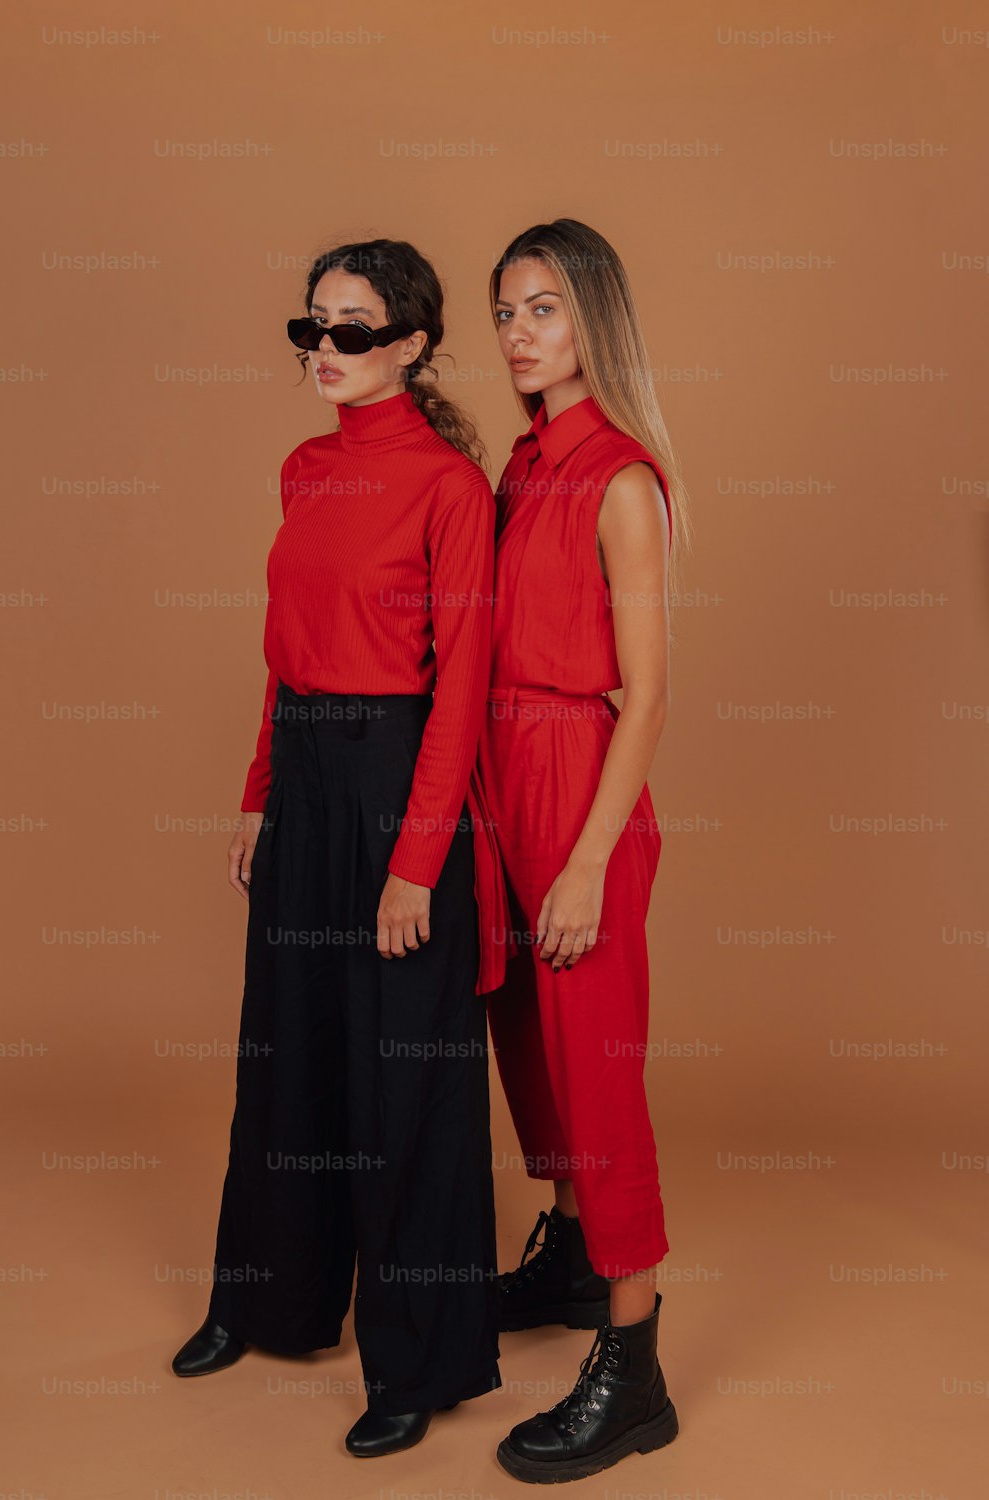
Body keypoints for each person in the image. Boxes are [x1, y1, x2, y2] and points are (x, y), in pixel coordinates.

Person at [171, 238, 511, 1459]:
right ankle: (266, 1303)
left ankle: (415, 1364)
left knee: (403, 1079)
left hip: (399, 779)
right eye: (312, 327)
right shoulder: (304, 467)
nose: (326, 350)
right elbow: (285, 645)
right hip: (307, 777)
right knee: (289, 1048)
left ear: (412, 345)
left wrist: (417, 860)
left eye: (354, 330)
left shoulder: (448, 491)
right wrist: (259, 793)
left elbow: (462, 688)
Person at [477, 218, 693, 1484]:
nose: (518, 334)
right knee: (529, 1049)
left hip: (578, 784)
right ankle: (567, 1251)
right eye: (506, 311)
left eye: (545, 310)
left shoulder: (618, 477)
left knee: (598, 1078)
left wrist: (584, 860)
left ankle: (635, 1363)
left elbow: (651, 694)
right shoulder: (518, 469)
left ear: (593, 320)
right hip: (506, 778)